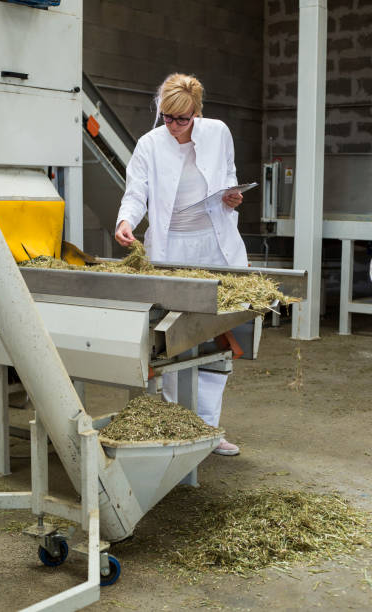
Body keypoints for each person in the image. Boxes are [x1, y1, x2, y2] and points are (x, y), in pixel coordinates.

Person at [115, 73, 248, 456]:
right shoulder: (149, 145)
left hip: (214, 247)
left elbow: (228, 180)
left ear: (197, 112)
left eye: (182, 119)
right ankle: (182, 428)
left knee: (217, 338)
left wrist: (232, 197)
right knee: (174, 341)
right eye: (167, 118)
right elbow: (136, 190)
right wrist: (127, 221)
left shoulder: (219, 133)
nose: (173, 127)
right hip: (172, 252)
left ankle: (209, 429)